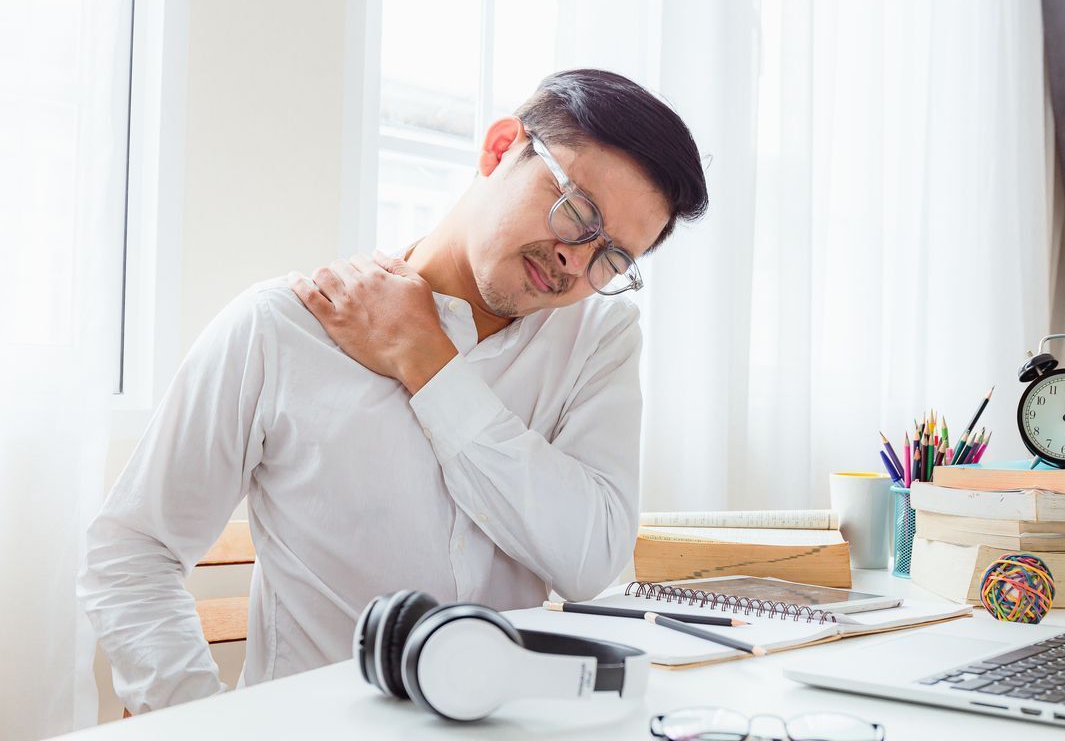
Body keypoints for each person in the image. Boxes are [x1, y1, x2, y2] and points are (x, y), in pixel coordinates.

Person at [78, 69, 708, 713]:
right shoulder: (281, 328)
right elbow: (131, 551)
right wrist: (210, 726)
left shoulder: (599, 338)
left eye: (611, 258)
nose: (575, 260)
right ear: (500, 149)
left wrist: (428, 362)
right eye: (576, 212)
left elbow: (591, 562)